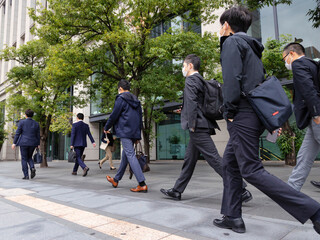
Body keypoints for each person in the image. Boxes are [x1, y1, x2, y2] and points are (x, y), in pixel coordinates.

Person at [213, 6, 320, 235]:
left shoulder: (232, 43)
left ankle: (314, 211)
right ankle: (233, 217)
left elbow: (232, 81)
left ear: (227, 26)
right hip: (253, 113)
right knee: (229, 164)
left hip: (241, 113)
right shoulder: (252, 47)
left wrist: (229, 111)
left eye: (222, 25)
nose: (220, 30)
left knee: (250, 169)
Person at [160, 54, 252, 203]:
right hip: (201, 124)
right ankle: (177, 190)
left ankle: (241, 189)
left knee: (215, 159)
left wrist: (191, 124)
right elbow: (197, 103)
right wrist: (185, 111)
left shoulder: (190, 80)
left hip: (197, 126)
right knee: (189, 161)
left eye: (183, 66)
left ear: (190, 66)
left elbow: (191, 103)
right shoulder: (200, 80)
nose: (183, 69)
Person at [280, 43, 320, 191]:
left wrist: (316, 113)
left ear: (291, 53)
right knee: (305, 156)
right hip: (313, 116)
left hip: (317, 115)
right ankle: (291, 189)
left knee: (305, 156)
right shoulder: (312, 63)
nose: (285, 62)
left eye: (284, 58)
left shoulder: (298, 64)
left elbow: (308, 90)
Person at [105, 79, 147, 192]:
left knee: (130, 155)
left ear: (120, 89)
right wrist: (138, 135)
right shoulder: (136, 100)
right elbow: (139, 118)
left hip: (125, 131)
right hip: (133, 132)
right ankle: (116, 179)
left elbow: (114, 115)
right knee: (125, 156)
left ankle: (142, 183)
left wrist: (106, 127)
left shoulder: (121, 98)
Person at [12, 109, 40, 180]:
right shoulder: (36, 123)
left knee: (24, 158)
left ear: (25, 115)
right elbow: (38, 135)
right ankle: (32, 167)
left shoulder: (22, 122)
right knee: (29, 157)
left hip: (24, 143)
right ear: (32, 115)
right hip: (33, 143)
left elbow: (18, 133)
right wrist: (38, 144)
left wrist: (14, 143)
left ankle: (26, 175)